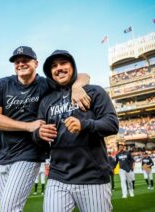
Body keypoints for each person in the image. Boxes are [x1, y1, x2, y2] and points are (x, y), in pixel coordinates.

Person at [0, 46, 91, 212]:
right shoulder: (1, 84)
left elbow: (83, 75)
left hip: (29, 153)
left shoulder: (45, 84)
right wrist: (28, 126)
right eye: (17, 61)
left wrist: (77, 87)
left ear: (36, 63)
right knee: (8, 208)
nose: (21, 64)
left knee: (8, 209)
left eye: (25, 60)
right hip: (2, 156)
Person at [35, 50, 119, 212]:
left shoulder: (94, 91)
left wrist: (84, 125)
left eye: (63, 63)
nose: (58, 68)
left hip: (92, 177)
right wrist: (39, 134)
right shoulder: (46, 101)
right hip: (58, 177)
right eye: (54, 66)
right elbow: (37, 135)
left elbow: (112, 124)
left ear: (73, 66)